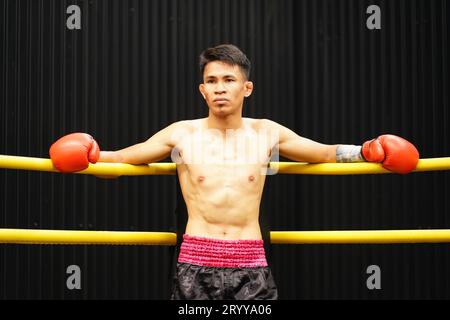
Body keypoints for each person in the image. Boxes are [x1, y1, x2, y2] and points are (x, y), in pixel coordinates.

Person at [49, 44, 420, 300]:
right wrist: (88, 156)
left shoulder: (266, 132)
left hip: (252, 264)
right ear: (202, 90)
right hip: (195, 262)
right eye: (211, 81)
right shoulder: (182, 133)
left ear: (247, 87)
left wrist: (368, 151)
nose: (219, 89)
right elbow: (123, 161)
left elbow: (321, 151)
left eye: (228, 80)